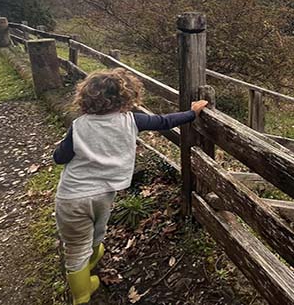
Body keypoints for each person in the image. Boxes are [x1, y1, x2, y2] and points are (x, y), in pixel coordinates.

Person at [52, 68, 207, 304]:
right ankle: (90, 261)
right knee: (97, 231)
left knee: (74, 245)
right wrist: (192, 113)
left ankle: (81, 294)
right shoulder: (132, 120)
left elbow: (60, 157)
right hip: (104, 194)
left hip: (72, 195)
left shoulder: (79, 126)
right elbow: (164, 121)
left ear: (85, 98)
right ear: (125, 97)